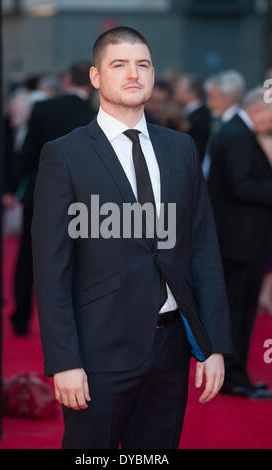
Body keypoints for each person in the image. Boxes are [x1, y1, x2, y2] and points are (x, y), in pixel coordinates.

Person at [31, 26, 233, 449]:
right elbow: (51, 268)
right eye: (118, 64)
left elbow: (204, 251)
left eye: (142, 64)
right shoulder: (65, 154)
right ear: (95, 77)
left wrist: (212, 345)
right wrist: (64, 360)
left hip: (170, 346)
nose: (132, 74)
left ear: (153, 74)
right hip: (98, 349)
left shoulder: (181, 148)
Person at [4, 61, 96, 336]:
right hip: (82, 199)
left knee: (29, 258)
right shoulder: (95, 114)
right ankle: (75, 321)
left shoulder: (44, 109)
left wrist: (12, 187)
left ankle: (21, 318)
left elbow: (28, 153)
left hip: (40, 194)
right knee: (79, 260)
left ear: (67, 80)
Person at [207, 88, 272, 398]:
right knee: (236, 311)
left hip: (243, 240)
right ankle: (233, 377)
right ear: (258, 111)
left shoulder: (236, 132)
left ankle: (236, 374)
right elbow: (242, 185)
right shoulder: (236, 135)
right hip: (239, 241)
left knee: (240, 310)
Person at [202, 70, 246, 178]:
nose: (209, 103)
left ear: (228, 97)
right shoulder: (223, 123)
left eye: (212, 97)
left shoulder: (236, 129)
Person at [174, 74, 211, 162]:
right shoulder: (190, 114)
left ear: (192, 93)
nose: (175, 92)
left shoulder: (199, 119)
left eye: (179, 89)